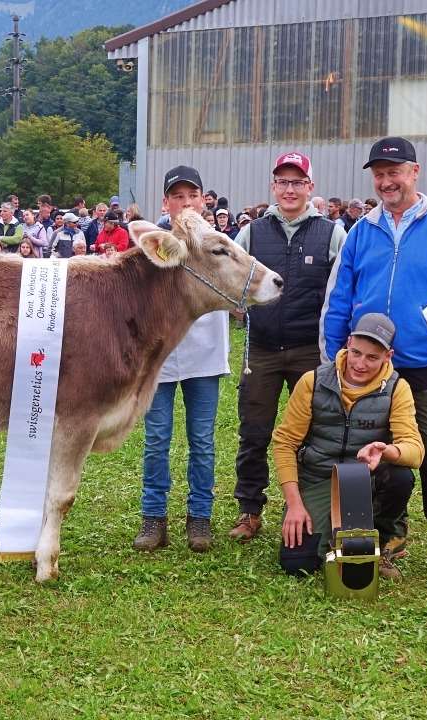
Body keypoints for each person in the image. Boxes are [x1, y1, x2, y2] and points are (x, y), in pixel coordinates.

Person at [320, 136, 427, 584]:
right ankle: (387, 538)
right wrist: (331, 361)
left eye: (394, 172)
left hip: (423, 363)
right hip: (368, 367)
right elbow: (338, 299)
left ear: (415, 172)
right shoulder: (360, 231)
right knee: (374, 455)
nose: (386, 182)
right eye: (379, 174)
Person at [229, 151, 346, 542]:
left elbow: (343, 287)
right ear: (273, 186)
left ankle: (309, 507)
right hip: (261, 350)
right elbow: (230, 275)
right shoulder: (251, 233)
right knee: (254, 433)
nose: (290, 189)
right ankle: (249, 510)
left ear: (310, 187)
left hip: (309, 350)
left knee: (314, 434)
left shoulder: (332, 233)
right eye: (283, 181)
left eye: (298, 182)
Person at [274, 313, 423, 579]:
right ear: (348, 343)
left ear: (388, 356)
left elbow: (415, 450)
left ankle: (383, 537)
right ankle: (338, 530)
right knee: (297, 564)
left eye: (372, 357)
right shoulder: (312, 381)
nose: (360, 364)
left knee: (400, 476)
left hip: (364, 481)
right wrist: (294, 504)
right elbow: (285, 443)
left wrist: (387, 450)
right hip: (319, 477)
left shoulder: (398, 388)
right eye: (356, 353)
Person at [134, 165, 231, 554]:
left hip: (205, 353)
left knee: (202, 440)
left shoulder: (220, 243)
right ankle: (153, 517)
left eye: (192, 195)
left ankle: (200, 517)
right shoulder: (153, 244)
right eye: (178, 196)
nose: (186, 202)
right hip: (160, 354)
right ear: (166, 202)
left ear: (204, 200)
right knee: (157, 438)